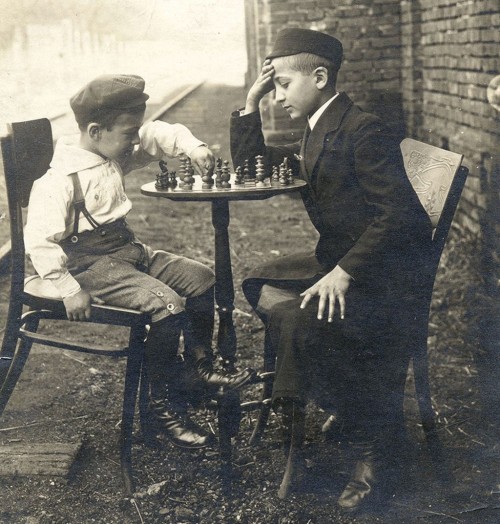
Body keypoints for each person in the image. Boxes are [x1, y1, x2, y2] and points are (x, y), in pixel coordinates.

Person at [230, 29, 433, 513]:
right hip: (341, 260)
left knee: (298, 318)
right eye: (272, 87)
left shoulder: (363, 130)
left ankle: (373, 446)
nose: (277, 96)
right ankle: (337, 397)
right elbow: (256, 168)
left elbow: (400, 215)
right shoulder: (322, 123)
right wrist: (250, 103)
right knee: (259, 281)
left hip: (381, 279)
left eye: (281, 84)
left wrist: (344, 272)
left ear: (319, 77)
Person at [25, 74, 254, 451]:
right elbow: (39, 240)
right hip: (91, 268)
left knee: (200, 279)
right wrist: (68, 288)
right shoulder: (60, 180)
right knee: (166, 304)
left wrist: (193, 147)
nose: (136, 141)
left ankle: (198, 369)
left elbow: (156, 134)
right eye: (128, 134)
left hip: (128, 252)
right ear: (96, 131)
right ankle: (161, 406)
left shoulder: (108, 151)